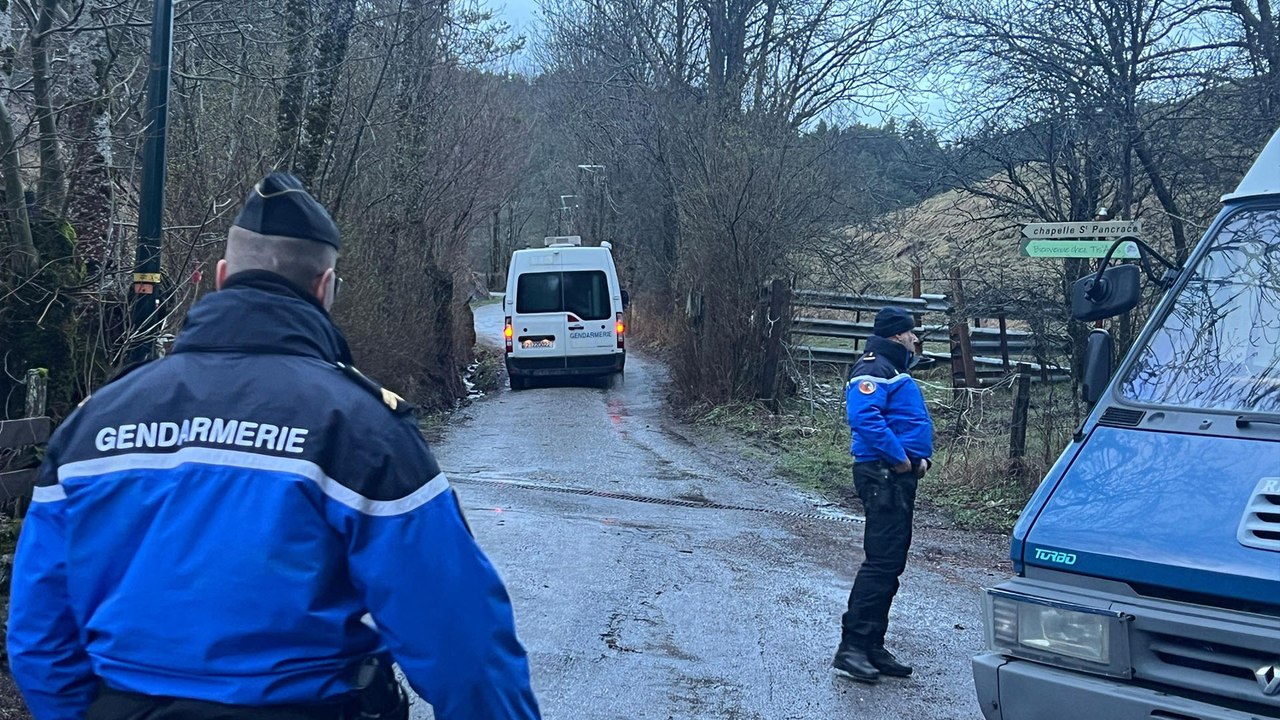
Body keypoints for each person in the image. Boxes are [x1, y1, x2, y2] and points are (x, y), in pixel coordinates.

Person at [7, 172, 542, 720]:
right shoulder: (360, 430)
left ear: (222, 277)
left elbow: (39, 638)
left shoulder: (94, 423)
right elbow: (464, 647)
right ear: (325, 287)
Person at [832, 306, 934, 684]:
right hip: (883, 474)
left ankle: (872, 645)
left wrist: (917, 459)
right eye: (911, 333)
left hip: (894, 475)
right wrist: (900, 459)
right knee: (881, 562)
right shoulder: (874, 368)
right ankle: (853, 648)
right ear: (896, 335)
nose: (915, 339)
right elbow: (864, 418)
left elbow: (898, 421)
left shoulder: (891, 369)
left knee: (891, 563)